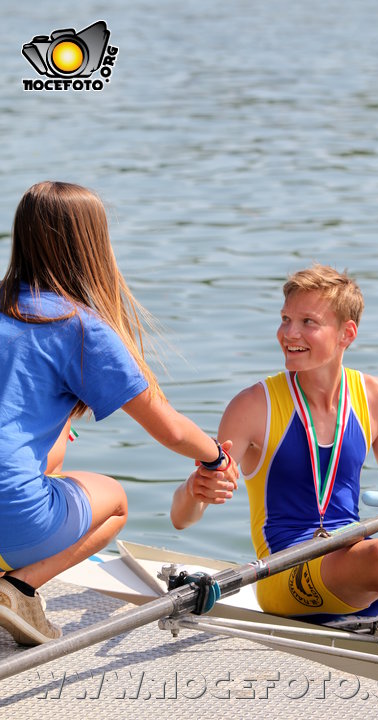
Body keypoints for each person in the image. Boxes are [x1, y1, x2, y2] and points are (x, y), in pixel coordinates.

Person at [171, 263, 378, 657]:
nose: (289, 334)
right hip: (287, 574)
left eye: (307, 322)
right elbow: (183, 518)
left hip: (355, 563)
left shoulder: (377, 398)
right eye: (285, 319)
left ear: (346, 334)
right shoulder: (253, 407)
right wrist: (194, 490)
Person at [0, 181, 238, 646]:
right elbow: (168, 427)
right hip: (14, 513)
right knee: (115, 501)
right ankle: (20, 588)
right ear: (91, 245)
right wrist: (214, 458)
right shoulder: (78, 327)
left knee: (51, 453)